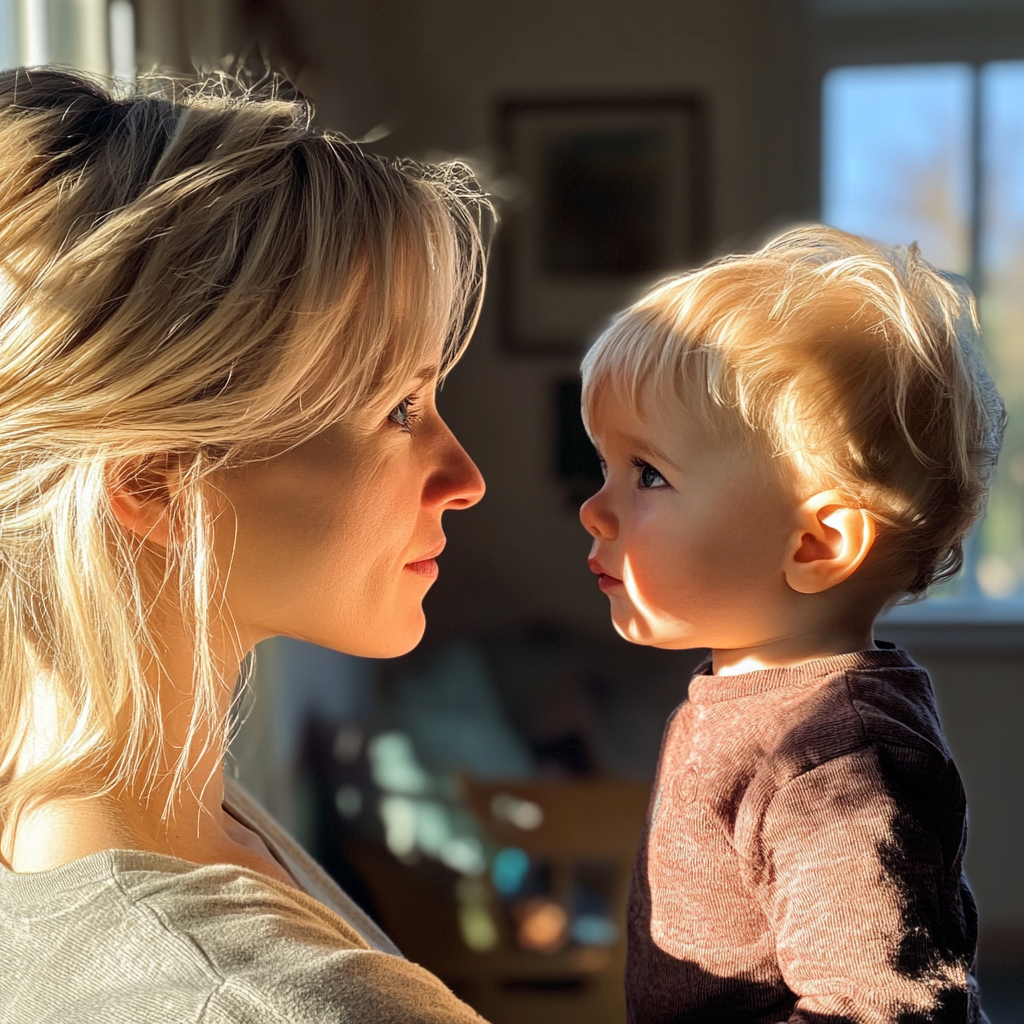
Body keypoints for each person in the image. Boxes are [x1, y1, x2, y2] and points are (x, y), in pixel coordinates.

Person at [0, 67, 492, 1023]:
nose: (466, 478)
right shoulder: (272, 1002)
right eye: (399, 408)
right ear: (153, 478)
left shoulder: (167, 821)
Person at [579, 226, 1003, 1024]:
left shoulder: (836, 759)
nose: (594, 510)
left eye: (648, 474)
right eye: (605, 467)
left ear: (815, 543)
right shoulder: (752, 703)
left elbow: (877, 1009)